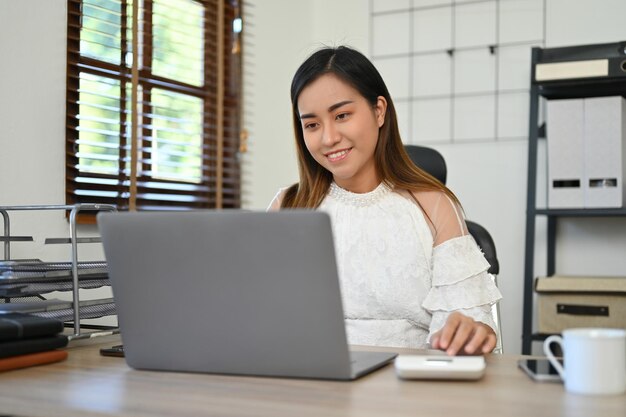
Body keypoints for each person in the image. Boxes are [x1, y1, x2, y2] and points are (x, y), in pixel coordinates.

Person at [268, 45, 502, 356]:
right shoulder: (289, 205)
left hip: (409, 388)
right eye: (312, 124)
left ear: (379, 111)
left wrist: (470, 331)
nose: (328, 138)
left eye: (342, 115)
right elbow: (263, 314)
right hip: (314, 384)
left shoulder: (434, 205)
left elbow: (473, 321)